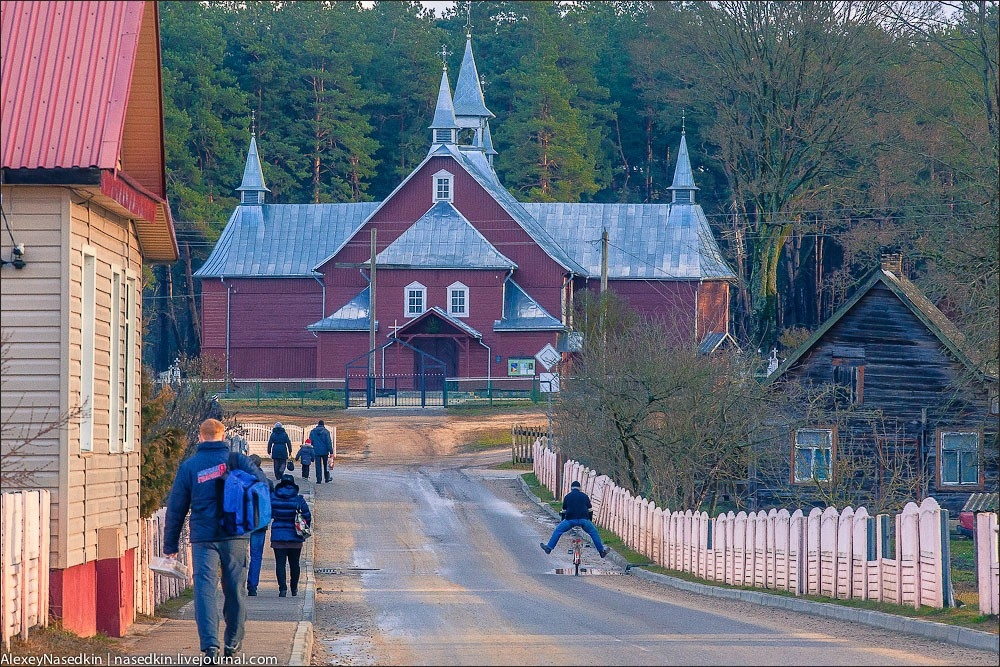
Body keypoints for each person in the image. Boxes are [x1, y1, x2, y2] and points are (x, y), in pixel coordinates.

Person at [163, 418, 268, 661]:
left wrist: (170, 545)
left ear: (200, 437)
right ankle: (232, 642)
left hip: (204, 538)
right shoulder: (238, 461)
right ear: (223, 437)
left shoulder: (190, 466)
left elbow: (176, 508)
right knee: (235, 589)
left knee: (204, 589)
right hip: (236, 535)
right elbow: (262, 486)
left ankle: (210, 645)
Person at [540, 480, 610, 559]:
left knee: (558, 531)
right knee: (593, 532)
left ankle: (549, 548)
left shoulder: (567, 496)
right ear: (579, 488)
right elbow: (590, 510)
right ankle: (601, 551)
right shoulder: (585, 496)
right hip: (584, 520)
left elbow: (564, 511)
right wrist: (589, 520)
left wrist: (563, 520)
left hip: (570, 520)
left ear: (571, 488)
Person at [269, 473, 312, 597]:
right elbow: (307, 517)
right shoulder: (299, 499)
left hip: (278, 535)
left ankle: (282, 589)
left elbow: (269, 513)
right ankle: (294, 589)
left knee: (280, 563)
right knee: (294, 564)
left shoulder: (273, 497)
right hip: (295, 536)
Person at [245, 455, 273, 597]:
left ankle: (236, 584)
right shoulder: (267, 483)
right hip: (260, 523)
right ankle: (252, 586)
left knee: (237, 555)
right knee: (256, 556)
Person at [309, 420, 333, 484]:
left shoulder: (313, 432)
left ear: (318, 424)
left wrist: (311, 451)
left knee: (318, 466)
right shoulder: (326, 432)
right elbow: (328, 442)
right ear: (323, 425)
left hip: (316, 451)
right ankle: (327, 478)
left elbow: (310, 442)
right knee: (326, 465)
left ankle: (318, 480)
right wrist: (331, 451)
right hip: (325, 451)